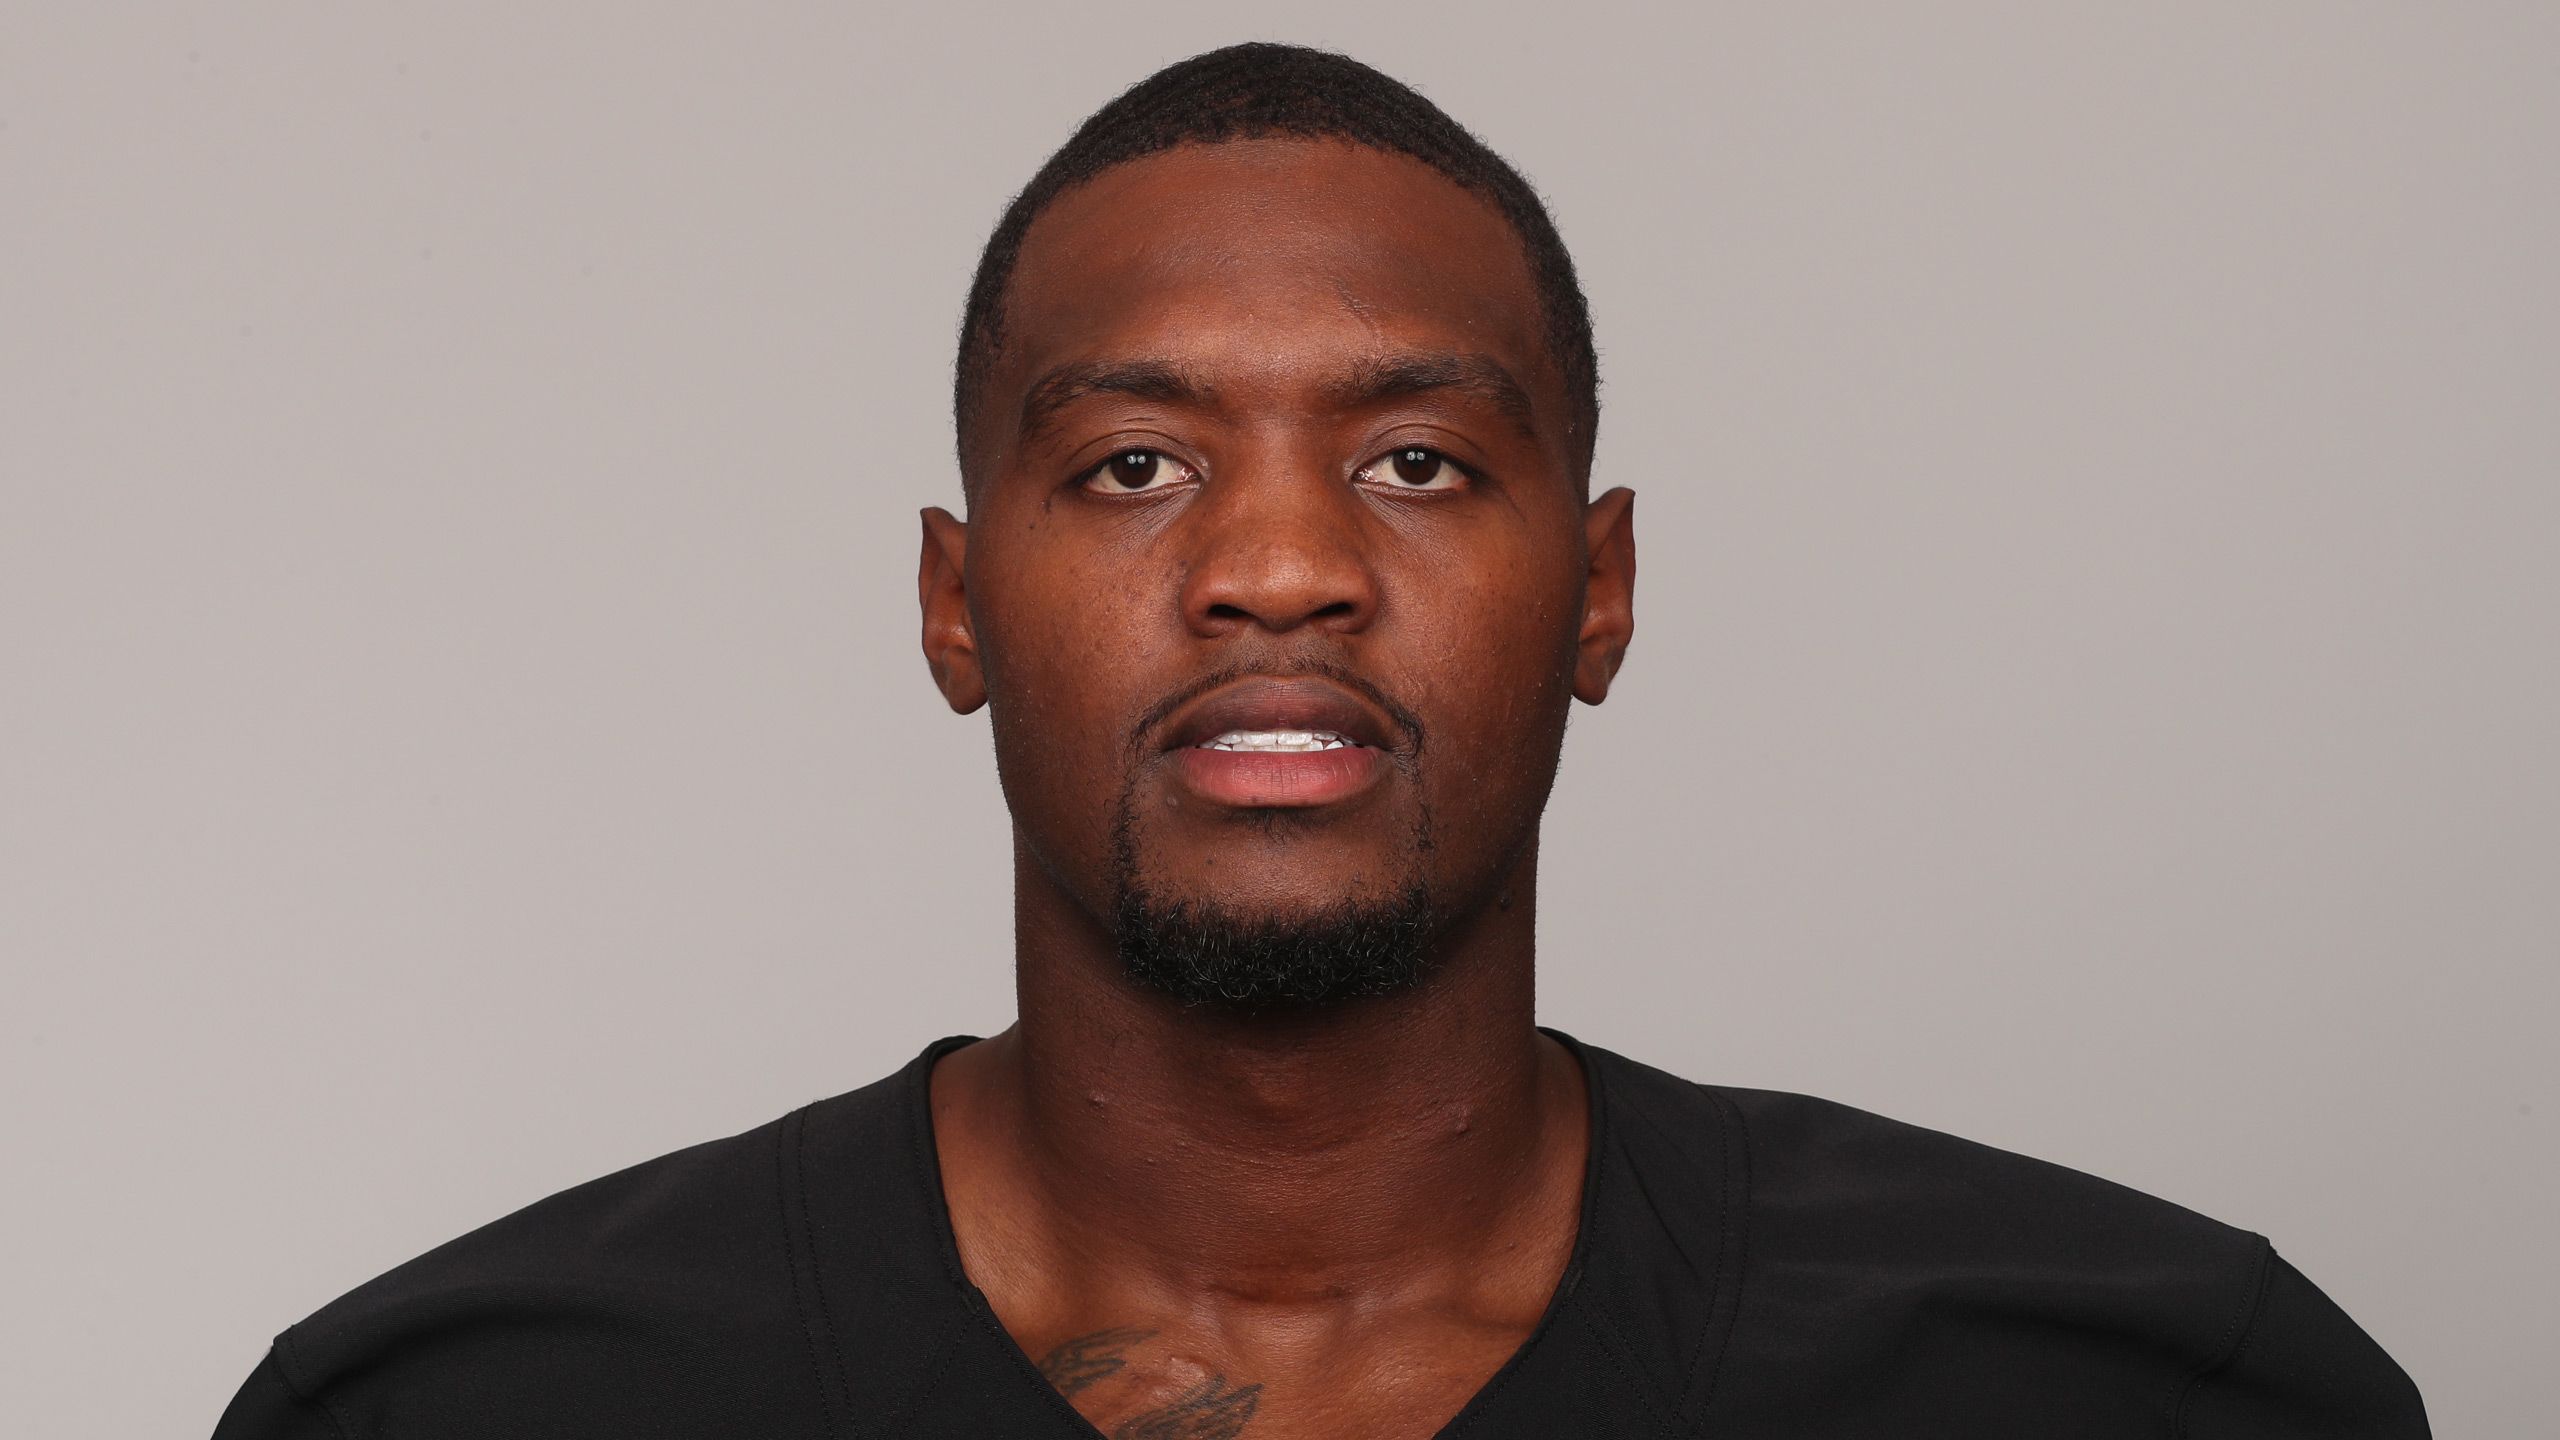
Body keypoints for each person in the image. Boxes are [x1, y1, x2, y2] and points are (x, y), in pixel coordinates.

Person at [213, 42, 2428, 1440]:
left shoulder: (2131, 1387)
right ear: (953, 603)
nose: (1279, 568)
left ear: (1600, 590)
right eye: (1133, 466)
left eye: (1416, 463)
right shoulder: (469, 1406)